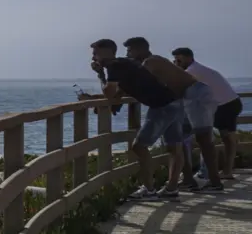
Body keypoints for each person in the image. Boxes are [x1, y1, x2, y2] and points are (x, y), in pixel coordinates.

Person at [83, 38, 186, 200]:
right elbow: (123, 89)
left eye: (95, 53)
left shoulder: (114, 66)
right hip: (174, 102)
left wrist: (100, 74)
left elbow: (109, 93)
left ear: (105, 52)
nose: (93, 57)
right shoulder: (125, 63)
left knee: (139, 147)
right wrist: (115, 103)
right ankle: (171, 189)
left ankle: (149, 189)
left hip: (162, 106)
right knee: (174, 147)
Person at [123, 37, 223, 192]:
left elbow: (138, 84)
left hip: (195, 94)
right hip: (187, 97)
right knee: (179, 139)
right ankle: (188, 179)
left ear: (140, 49)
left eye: (130, 50)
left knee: (203, 139)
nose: (127, 54)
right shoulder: (156, 62)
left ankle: (215, 183)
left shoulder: (150, 62)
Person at [172, 47, 242, 180]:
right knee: (227, 139)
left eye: (179, 60)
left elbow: (177, 87)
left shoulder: (192, 71)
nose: (177, 63)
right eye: (175, 60)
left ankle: (204, 173)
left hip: (223, 106)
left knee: (204, 137)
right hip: (231, 102)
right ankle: (226, 171)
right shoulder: (198, 69)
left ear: (189, 58)